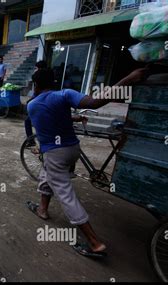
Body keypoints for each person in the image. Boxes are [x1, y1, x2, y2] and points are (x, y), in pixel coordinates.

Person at [25, 67, 149, 258]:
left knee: (65, 195)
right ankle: (42, 209)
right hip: (72, 150)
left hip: (54, 153)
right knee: (45, 174)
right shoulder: (64, 95)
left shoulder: (31, 105)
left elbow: (49, 116)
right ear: (54, 83)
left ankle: (95, 243)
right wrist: (128, 78)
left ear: (35, 85)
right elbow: (94, 102)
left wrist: (129, 77)